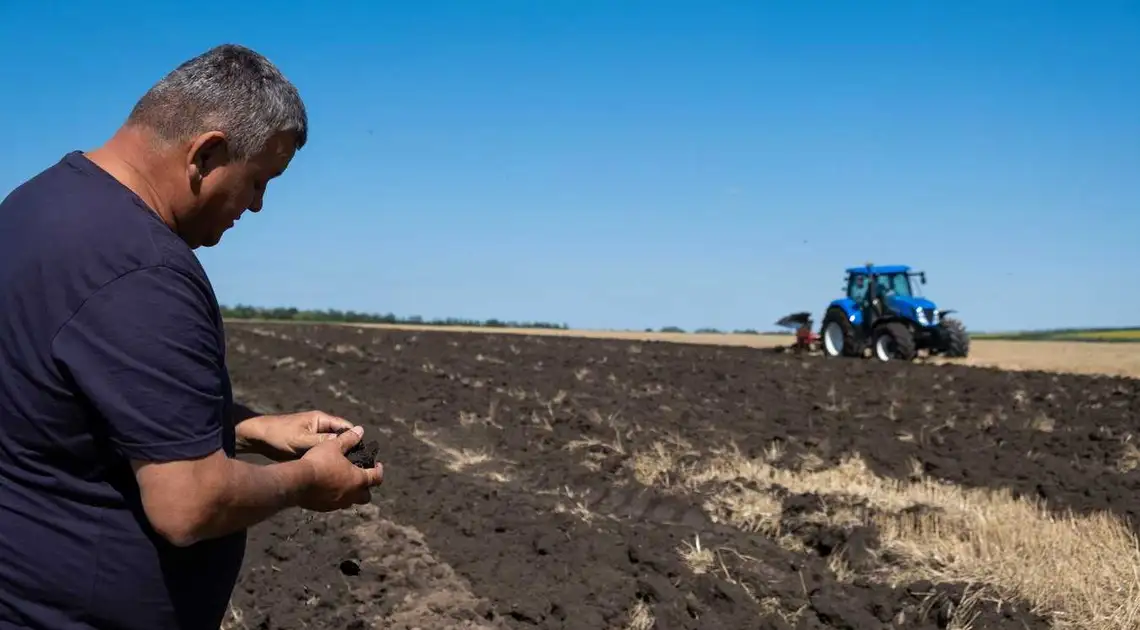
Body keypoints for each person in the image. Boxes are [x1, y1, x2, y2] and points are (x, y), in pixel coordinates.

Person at [0, 43, 384, 630]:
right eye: (259, 180)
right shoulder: (143, 270)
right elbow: (189, 503)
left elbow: (76, 404)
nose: (256, 206)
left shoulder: (35, 206)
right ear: (206, 154)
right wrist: (309, 480)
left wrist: (249, 427)